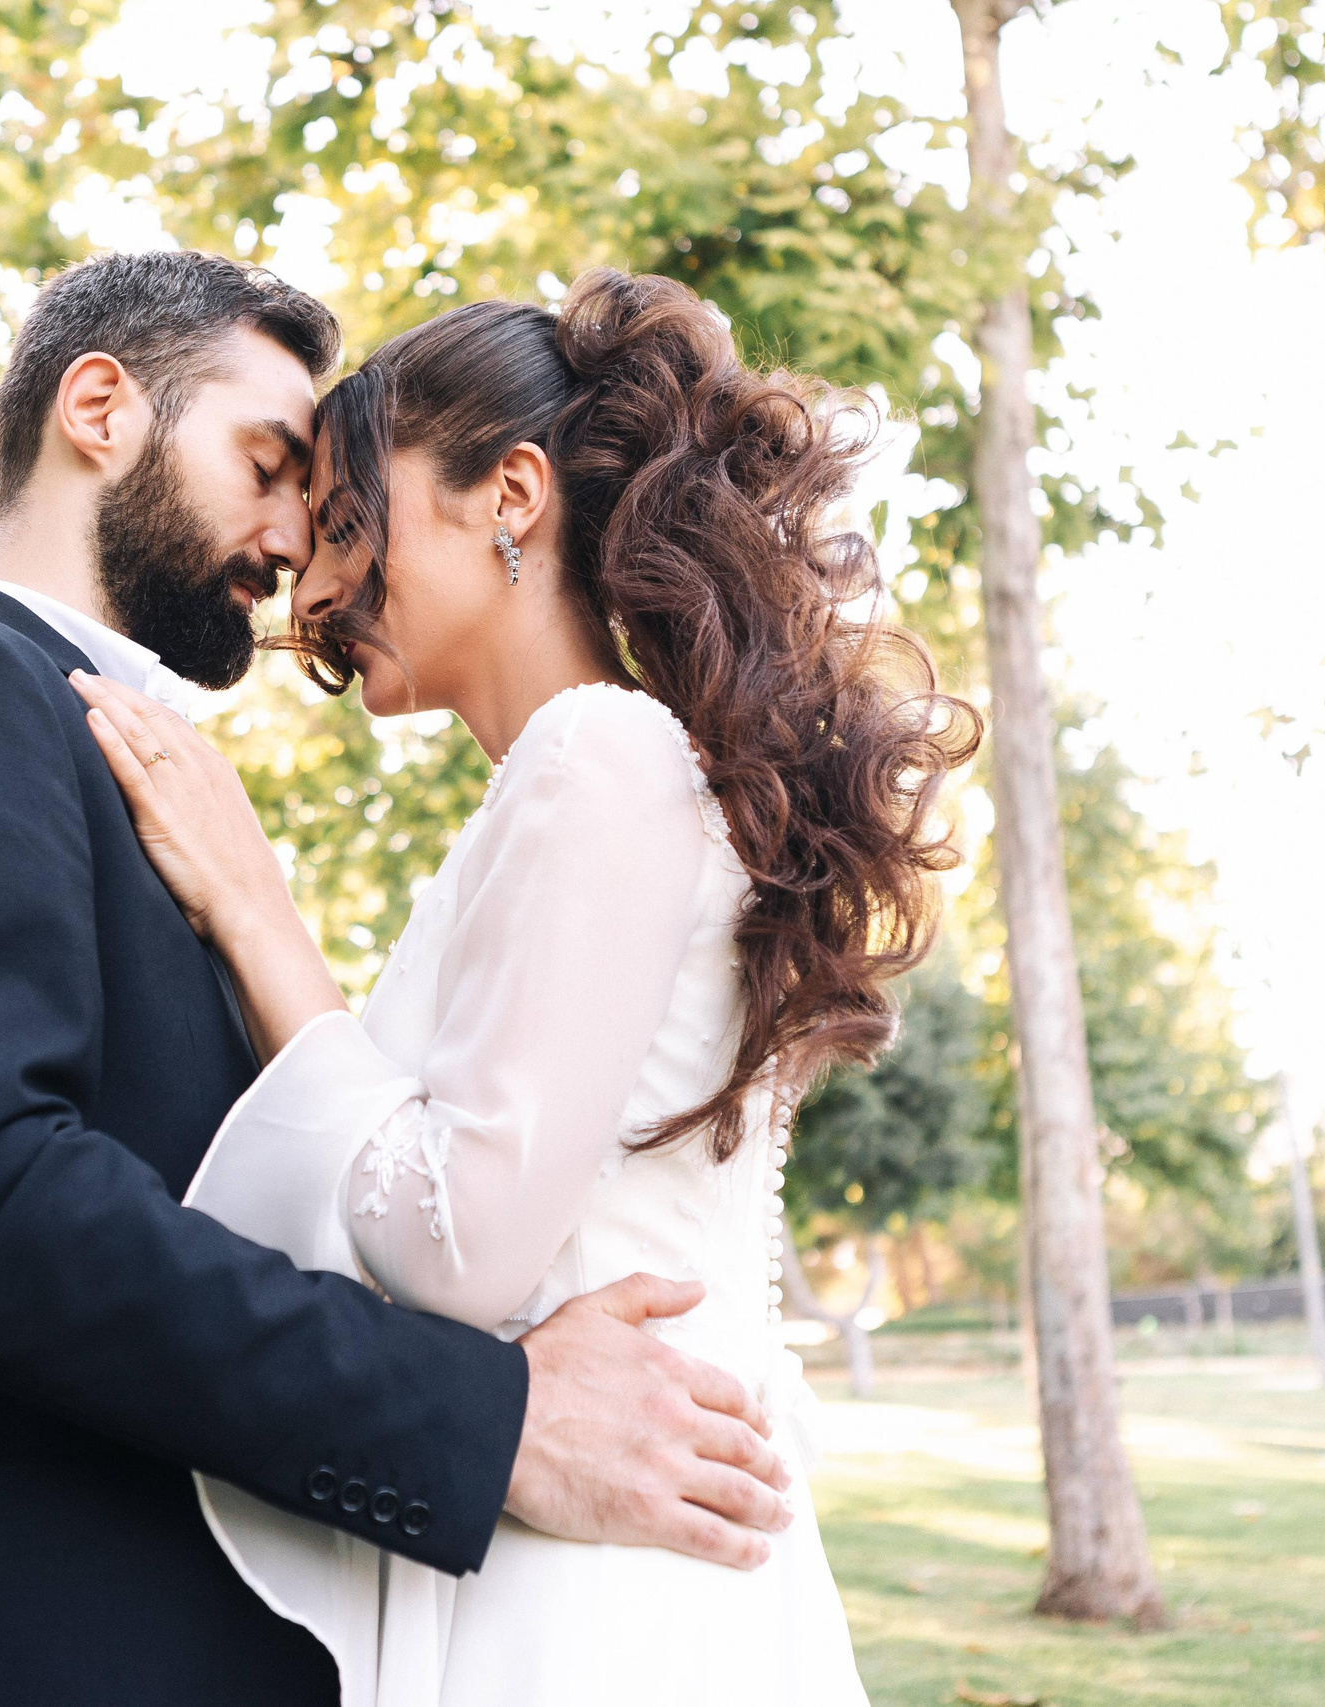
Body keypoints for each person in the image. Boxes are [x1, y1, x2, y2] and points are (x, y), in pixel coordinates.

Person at [0, 252, 797, 1707]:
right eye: (271, 464)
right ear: (99, 410)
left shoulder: (143, 769)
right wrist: (486, 1425)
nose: (304, 538)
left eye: (328, 495)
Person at [68, 269, 983, 1704]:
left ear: (512, 493)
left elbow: (458, 1244)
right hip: (601, 1527)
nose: (310, 594)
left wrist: (254, 912)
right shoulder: (602, 773)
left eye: (354, 529)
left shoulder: (599, 756)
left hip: (594, 1591)